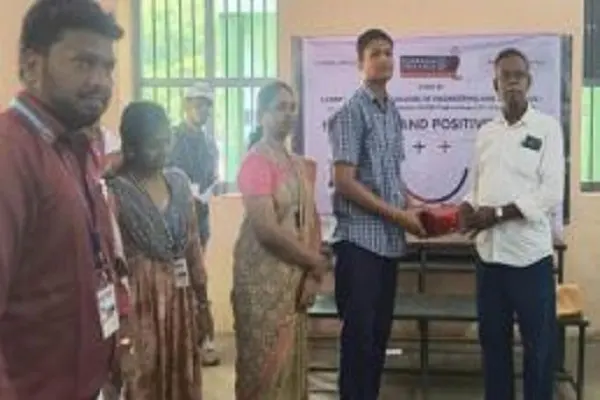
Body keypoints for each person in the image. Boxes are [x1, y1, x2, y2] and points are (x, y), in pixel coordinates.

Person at [0, 1, 123, 399]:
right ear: (31, 66)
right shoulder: (11, 154)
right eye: (83, 63)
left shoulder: (76, 147)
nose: (100, 81)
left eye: (107, 67)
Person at [458, 48, 564, 400]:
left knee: (539, 349)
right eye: (506, 76)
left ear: (529, 82)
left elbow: (551, 192)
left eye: (519, 75)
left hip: (529, 260)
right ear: (496, 85)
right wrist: (467, 206)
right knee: (493, 347)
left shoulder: (547, 128)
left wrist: (499, 214)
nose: (513, 82)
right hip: (490, 260)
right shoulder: (486, 133)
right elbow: (478, 187)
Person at [327, 28, 427, 400]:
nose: (384, 59)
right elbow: (344, 182)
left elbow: (391, 177)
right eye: (375, 53)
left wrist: (414, 208)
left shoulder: (392, 112)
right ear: (360, 63)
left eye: (388, 52)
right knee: (359, 340)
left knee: (378, 338)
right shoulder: (350, 112)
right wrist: (399, 217)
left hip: (388, 244)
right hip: (359, 244)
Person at [232, 81, 330, 400]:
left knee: (292, 364)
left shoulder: (297, 164)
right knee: (263, 367)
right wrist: (313, 261)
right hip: (262, 281)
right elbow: (265, 230)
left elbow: (311, 221)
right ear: (261, 114)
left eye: (292, 108)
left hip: (295, 278)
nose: (288, 114)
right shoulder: (255, 162)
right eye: (280, 108)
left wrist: (312, 275)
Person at [107, 101, 207, 400]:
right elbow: (110, 265)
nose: (163, 151)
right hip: (140, 304)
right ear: (132, 148)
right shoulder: (115, 191)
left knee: (180, 377)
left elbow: (193, 247)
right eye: (154, 145)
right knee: (142, 380)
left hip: (180, 300)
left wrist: (203, 303)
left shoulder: (179, 183)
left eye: (167, 142)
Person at [170, 82, 220, 365]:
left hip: (199, 221)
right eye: (197, 104)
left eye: (206, 105)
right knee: (178, 281)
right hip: (172, 223)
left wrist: (210, 189)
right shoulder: (172, 138)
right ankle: (180, 342)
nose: (202, 110)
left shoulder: (210, 144)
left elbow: (213, 177)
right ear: (186, 105)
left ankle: (202, 339)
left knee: (198, 278)